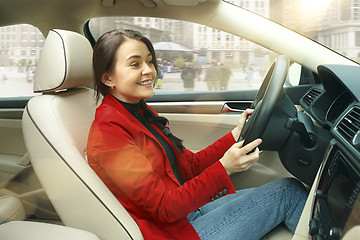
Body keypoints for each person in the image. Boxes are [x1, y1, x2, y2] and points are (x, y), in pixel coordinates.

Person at [87, 29, 308, 240]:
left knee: (290, 187)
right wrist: (224, 168)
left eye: (149, 61)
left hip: (186, 216)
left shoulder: (139, 111)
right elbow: (163, 207)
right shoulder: (109, 130)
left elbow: (189, 166)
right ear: (108, 79)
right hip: (173, 233)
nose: (149, 70)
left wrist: (235, 135)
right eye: (135, 64)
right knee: (287, 193)